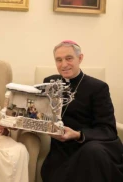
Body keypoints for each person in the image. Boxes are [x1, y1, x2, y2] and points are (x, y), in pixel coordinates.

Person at [41, 40, 123, 182]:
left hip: (95, 145)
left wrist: (78, 135)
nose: (64, 64)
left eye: (69, 58)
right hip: (62, 150)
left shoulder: (98, 87)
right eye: (58, 60)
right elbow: (40, 113)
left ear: (80, 58)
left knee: (91, 152)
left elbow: (108, 129)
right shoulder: (49, 83)